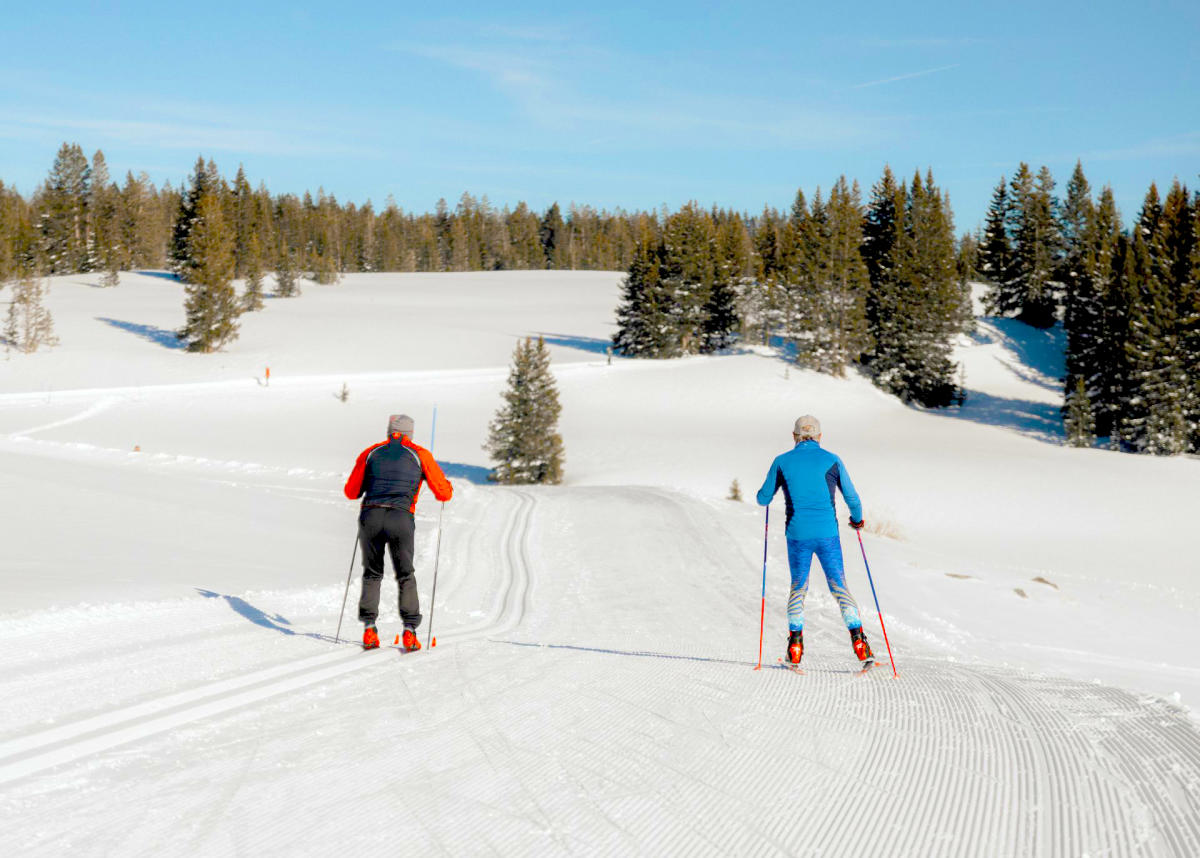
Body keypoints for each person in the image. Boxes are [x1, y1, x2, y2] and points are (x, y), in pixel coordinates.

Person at [756, 415, 873, 667]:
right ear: (820, 437)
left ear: (794, 436)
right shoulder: (832, 460)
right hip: (827, 534)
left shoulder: (781, 462)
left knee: (798, 587)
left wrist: (764, 493)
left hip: (797, 535)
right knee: (839, 586)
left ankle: (795, 646)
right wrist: (857, 520)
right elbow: (852, 498)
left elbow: (763, 498)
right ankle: (860, 643)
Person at [344, 414, 453, 651]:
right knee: (405, 573)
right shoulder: (419, 453)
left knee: (372, 573)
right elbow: (443, 493)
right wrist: (447, 486)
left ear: (389, 432)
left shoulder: (371, 452)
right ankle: (409, 631)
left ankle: (370, 629)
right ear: (410, 433)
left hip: (371, 516)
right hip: (401, 517)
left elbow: (352, 492)